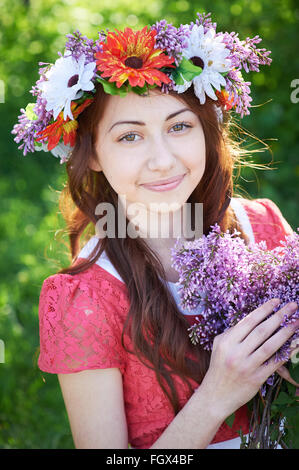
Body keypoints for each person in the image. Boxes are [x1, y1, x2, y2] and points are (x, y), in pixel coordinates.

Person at [12, 13, 299, 449]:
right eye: (130, 137)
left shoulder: (262, 228)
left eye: (179, 126)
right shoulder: (86, 298)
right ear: (90, 155)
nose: (162, 160)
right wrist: (216, 397)